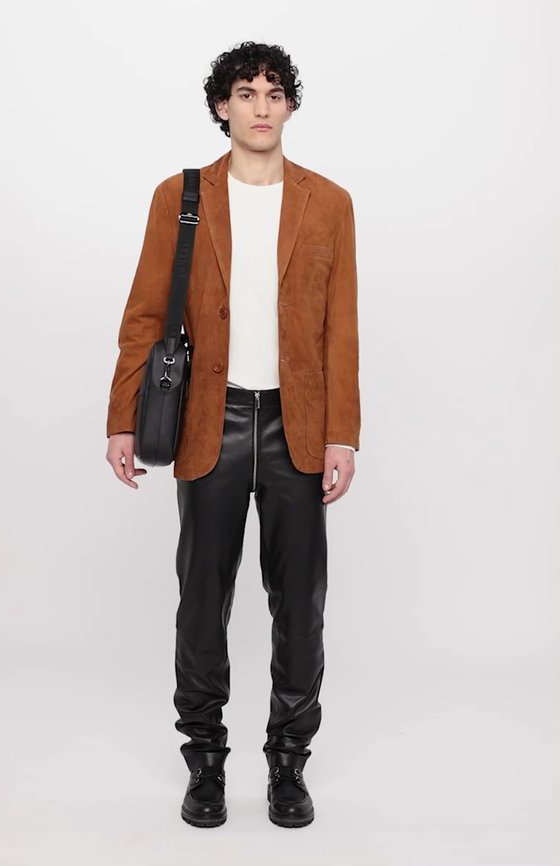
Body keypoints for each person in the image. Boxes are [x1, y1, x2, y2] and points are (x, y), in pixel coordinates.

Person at [105, 41, 361, 829]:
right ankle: (205, 762)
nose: (259, 106)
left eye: (273, 93)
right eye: (245, 93)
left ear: (291, 107)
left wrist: (343, 434)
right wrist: (123, 418)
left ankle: (288, 763)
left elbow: (341, 327)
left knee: (301, 604)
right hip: (206, 424)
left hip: (297, 423)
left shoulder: (329, 202)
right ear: (222, 106)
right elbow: (146, 314)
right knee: (202, 599)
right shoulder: (180, 197)